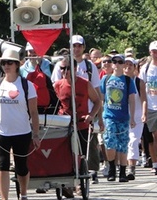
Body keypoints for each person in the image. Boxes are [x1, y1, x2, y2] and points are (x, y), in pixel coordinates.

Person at [0, 49, 39, 200]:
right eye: (3, 63)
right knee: (2, 165)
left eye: (10, 63)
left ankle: (23, 196)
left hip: (22, 131)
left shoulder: (26, 85)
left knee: (21, 167)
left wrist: (36, 134)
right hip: (1, 131)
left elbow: (34, 112)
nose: (6, 66)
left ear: (17, 65)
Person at [53, 56, 102, 192]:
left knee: (80, 154)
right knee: (65, 154)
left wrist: (91, 115)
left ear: (75, 69)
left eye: (68, 68)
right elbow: (53, 105)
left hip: (81, 124)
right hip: (64, 125)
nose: (65, 71)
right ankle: (67, 183)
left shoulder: (84, 83)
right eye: (62, 68)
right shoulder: (57, 85)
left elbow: (97, 101)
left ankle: (79, 181)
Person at [100, 55, 137, 182]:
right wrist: (99, 117)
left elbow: (132, 100)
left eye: (119, 62)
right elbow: (101, 99)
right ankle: (111, 168)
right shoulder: (106, 78)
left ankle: (122, 172)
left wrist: (132, 117)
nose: (116, 64)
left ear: (123, 64)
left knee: (122, 145)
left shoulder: (127, 80)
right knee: (110, 143)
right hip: (109, 116)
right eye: (114, 62)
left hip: (123, 117)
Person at [139, 41, 157, 175]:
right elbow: (142, 89)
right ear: (150, 52)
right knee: (151, 136)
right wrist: (143, 109)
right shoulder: (145, 68)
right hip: (151, 106)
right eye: (153, 51)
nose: (155, 53)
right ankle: (155, 163)